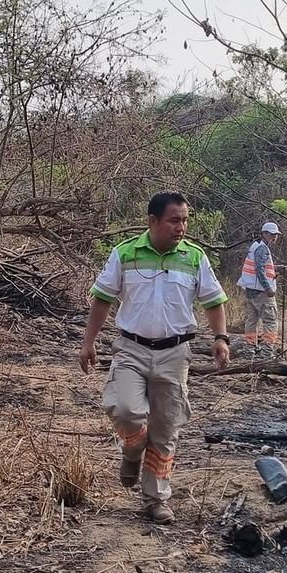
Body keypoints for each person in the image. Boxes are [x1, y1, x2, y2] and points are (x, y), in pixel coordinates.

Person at [80, 191, 231, 525]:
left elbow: (213, 301)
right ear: (153, 221)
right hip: (131, 349)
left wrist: (220, 338)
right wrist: (88, 342)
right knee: (125, 409)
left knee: (165, 429)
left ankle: (155, 500)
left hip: (175, 354)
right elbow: (102, 299)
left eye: (185, 220)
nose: (182, 227)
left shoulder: (194, 258)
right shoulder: (125, 254)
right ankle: (132, 451)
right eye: (174, 220)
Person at [237, 221, 281, 351]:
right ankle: (267, 351)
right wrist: (268, 288)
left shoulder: (255, 246)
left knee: (251, 321)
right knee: (270, 321)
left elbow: (259, 267)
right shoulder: (262, 248)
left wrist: (273, 269)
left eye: (275, 235)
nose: (274, 237)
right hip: (261, 292)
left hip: (251, 290)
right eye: (272, 235)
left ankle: (250, 348)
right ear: (264, 234)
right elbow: (259, 269)